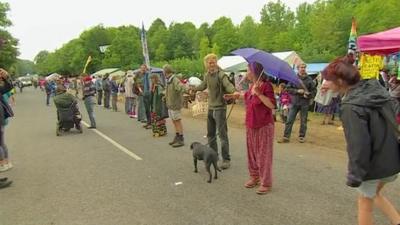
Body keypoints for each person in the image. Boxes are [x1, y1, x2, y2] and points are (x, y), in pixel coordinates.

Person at [322, 56, 400, 225]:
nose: (326, 84)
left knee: (365, 204)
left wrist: (355, 175)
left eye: (329, 80)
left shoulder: (351, 106)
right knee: (375, 195)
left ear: (341, 81)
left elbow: (359, 145)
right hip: (393, 159)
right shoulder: (376, 90)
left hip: (374, 164)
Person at [192, 53, 240, 169]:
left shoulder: (221, 75)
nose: (212, 64)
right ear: (206, 65)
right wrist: (193, 89)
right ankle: (214, 156)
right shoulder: (207, 75)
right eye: (209, 62)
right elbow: (203, 86)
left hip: (220, 108)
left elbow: (228, 85)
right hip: (210, 107)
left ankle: (226, 159)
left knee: (222, 136)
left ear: (216, 62)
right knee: (210, 135)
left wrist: (233, 92)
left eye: (213, 61)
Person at [240, 62, 276, 195]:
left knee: (263, 155)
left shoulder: (266, 86)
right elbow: (246, 99)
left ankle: (265, 182)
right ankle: (254, 176)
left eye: (247, 70)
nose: (246, 73)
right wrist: (233, 96)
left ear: (254, 71)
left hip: (264, 125)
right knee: (252, 154)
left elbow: (272, 105)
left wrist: (260, 94)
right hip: (251, 124)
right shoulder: (251, 87)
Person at [277, 63, 316, 143]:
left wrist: (308, 95)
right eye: (301, 67)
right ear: (298, 68)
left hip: (304, 103)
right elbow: (287, 89)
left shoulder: (309, 79)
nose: (303, 69)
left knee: (303, 121)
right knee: (289, 120)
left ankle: (302, 136)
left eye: (304, 67)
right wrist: (297, 91)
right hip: (294, 102)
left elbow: (314, 91)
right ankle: (286, 137)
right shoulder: (294, 78)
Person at [164, 64, 188, 147]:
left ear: (166, 72)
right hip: (170, 103)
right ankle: (177, 136)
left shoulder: (174, 79)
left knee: (177, 121)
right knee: (174, 121)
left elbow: (181, 87)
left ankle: (181, 138)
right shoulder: (169, 80)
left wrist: (187, 90)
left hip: (175, 104)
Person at [0, 69, 15, 173]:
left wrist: (6, 77)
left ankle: (2, 164)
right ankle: (6, 162)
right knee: (1, 142)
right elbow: (8, 87)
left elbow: (8, 87)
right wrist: (6, 77)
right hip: (1, 119)